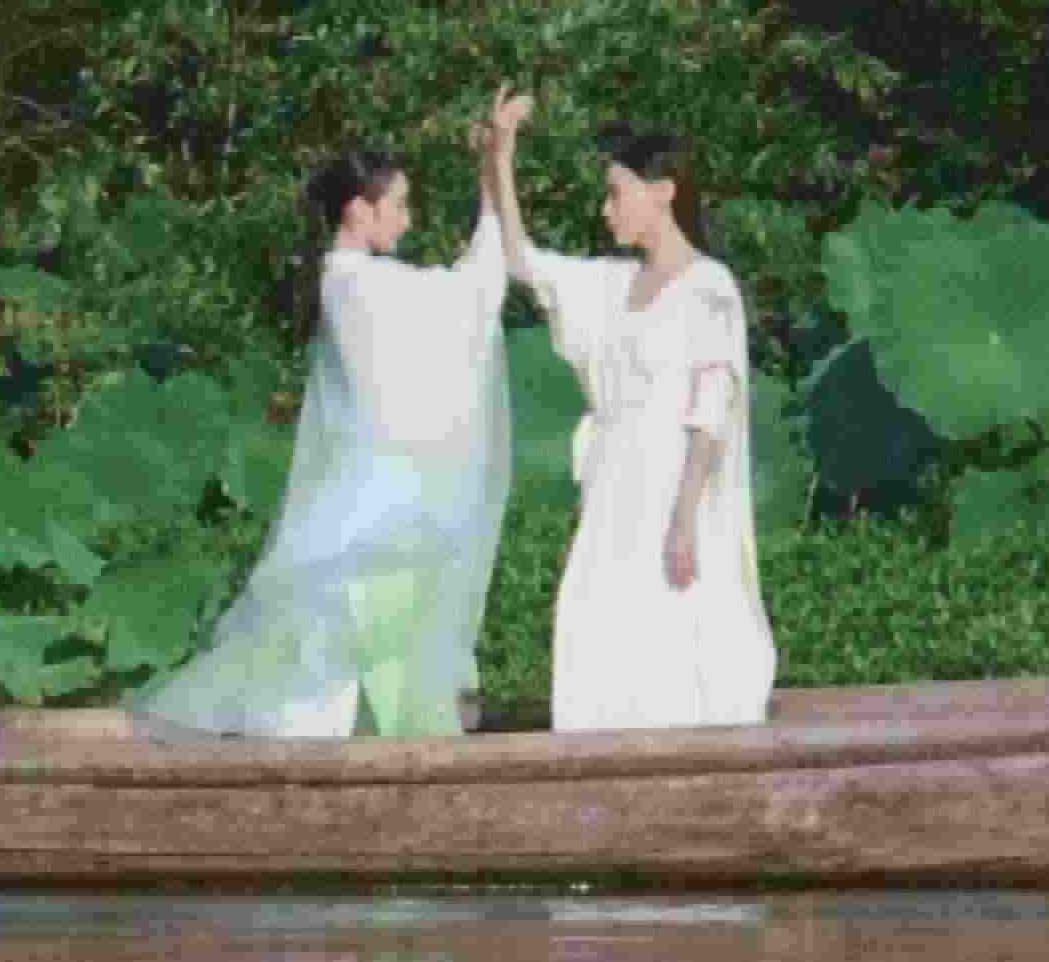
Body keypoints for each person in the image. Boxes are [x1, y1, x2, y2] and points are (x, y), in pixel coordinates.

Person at [131, 110, 522, 738]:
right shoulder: (359, 285)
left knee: (363, 656)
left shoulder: (352, 280)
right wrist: (496, 165)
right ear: (358, 211)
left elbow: (467, 292)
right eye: (398, 205)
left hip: (373, 504)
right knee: (337, 664)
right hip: (377, 513)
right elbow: (473, 293)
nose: (408, 220)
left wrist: (490, 171)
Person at [478, 108, 776, 731]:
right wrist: (499, 157)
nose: (605, 209)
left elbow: (711, 407)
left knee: (669, 626)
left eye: (616, 194)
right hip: (616, 481)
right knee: (595, 610)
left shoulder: (708, 286)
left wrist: (685, 516)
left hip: (671, 483)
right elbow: (521, 260)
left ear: (662, 192)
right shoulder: (612, 286)